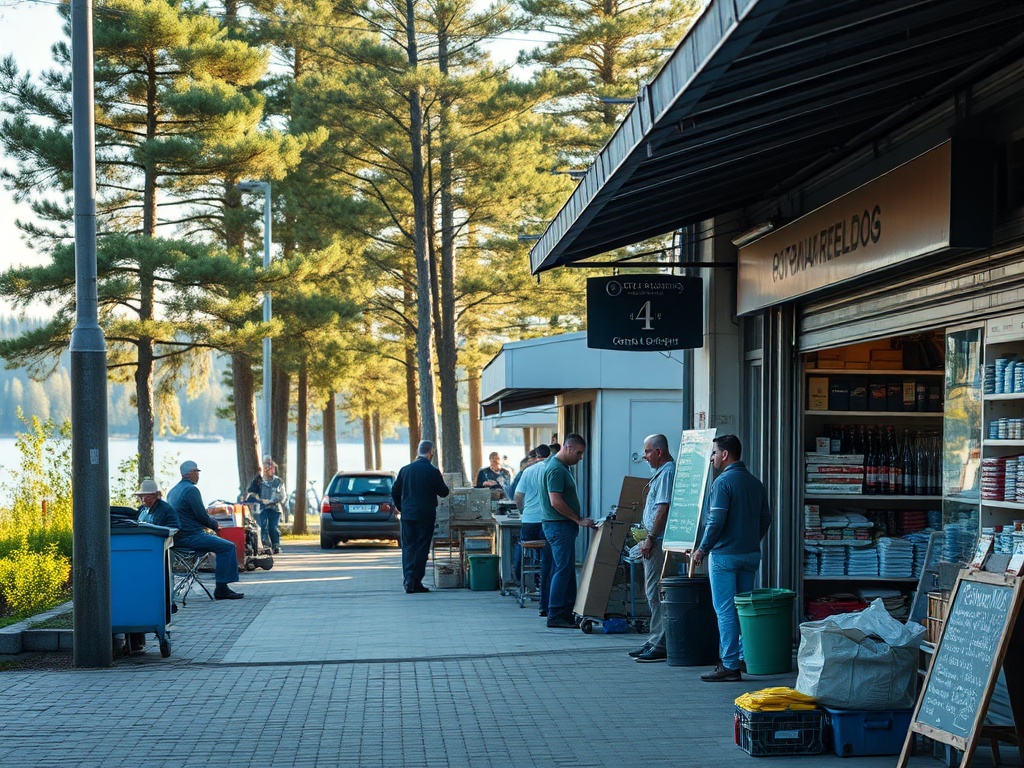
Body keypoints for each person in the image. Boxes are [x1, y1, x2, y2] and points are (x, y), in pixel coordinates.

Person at [691, 435, 772, 682]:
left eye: (715, 453)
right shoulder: (755, 483)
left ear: (725, 455)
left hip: (725, 556)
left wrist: (703, 549)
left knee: (725, 610)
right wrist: (750, 541)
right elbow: (765, 519)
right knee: (744, 609)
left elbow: (715, 521)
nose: (713, 457)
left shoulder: (722, 483)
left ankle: (729, 664)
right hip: (750, 555)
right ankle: (745, 657)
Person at [166, 460, 244, 600]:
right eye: (197, 471)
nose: (198, 475)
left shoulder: (172, 491)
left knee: (221, 545)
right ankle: (222, 588)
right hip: (191, 536)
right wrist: (215, 525)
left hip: (177, 538)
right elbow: (201, 515)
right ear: (191, 473)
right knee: (228, 547)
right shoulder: (191, 490)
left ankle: (222, 587)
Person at [539, 434, 596, 628]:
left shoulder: (561, 467)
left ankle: (566, 610)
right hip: (559, 525)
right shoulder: (556, 469)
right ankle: (555, 613)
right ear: (569, 448)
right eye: (579, 453)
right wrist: (578, 519)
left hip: (560, 525)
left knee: (563, 569)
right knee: (562, 570)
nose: (580, 457)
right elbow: (556, 501)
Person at [629, 434, 675, 663]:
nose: (645, 456)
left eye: (647, 452)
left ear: (659, 451)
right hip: (654, 539)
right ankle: (655, 637)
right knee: (652, 592)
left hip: (658, 542)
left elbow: (663, 508)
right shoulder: (661, 472)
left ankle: (661, 642)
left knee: (656, 592)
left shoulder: (667, 472)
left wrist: (651, 537)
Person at [392, 440, 450, 594]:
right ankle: (416, 581)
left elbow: (395, 491)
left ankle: (408, 579)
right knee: (422, 548)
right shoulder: (432, 471)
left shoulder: (405, 470)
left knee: (408, 547)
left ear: (418, 451)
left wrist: (401, 507)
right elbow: (444, 492)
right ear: (431, 452)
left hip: (408, 515)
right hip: (425, 515)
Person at [513, 444, 552, 615]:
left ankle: (523, 583)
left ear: (535, 455)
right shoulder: (552, 468)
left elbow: (518, 496)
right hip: (547, 519)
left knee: (525, 551)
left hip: (529, 520)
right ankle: (543, 588)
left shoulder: (527, 471)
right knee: (547, 559)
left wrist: (523, 511)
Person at [248, 455, 286, 554]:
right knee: (262, 526)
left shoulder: (278, 481)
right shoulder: (258, 480)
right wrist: (259, 500)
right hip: (261, 508)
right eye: (266, 467)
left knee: (273, 527)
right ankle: (264, 545)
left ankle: (276, 545)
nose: (268, 469)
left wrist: (272, 501)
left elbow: (283, 496)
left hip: (274, 508)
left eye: (271, 467)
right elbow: (251, 492)